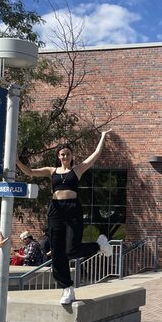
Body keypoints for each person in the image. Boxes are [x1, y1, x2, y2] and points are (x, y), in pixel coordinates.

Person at [16, 129, 114, 305]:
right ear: (58, 156)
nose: (64, 156)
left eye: (67, 154)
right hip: (55, 211)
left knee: (71, 249)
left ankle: (98, 245)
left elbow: (96, 155)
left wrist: (103, 136)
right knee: (58, 252)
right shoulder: (51, 171)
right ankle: (67, 288)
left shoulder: (77, 170)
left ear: (71, 155)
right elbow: (30, 172)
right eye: (62, 154)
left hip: (73, 209)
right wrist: (17, 161)